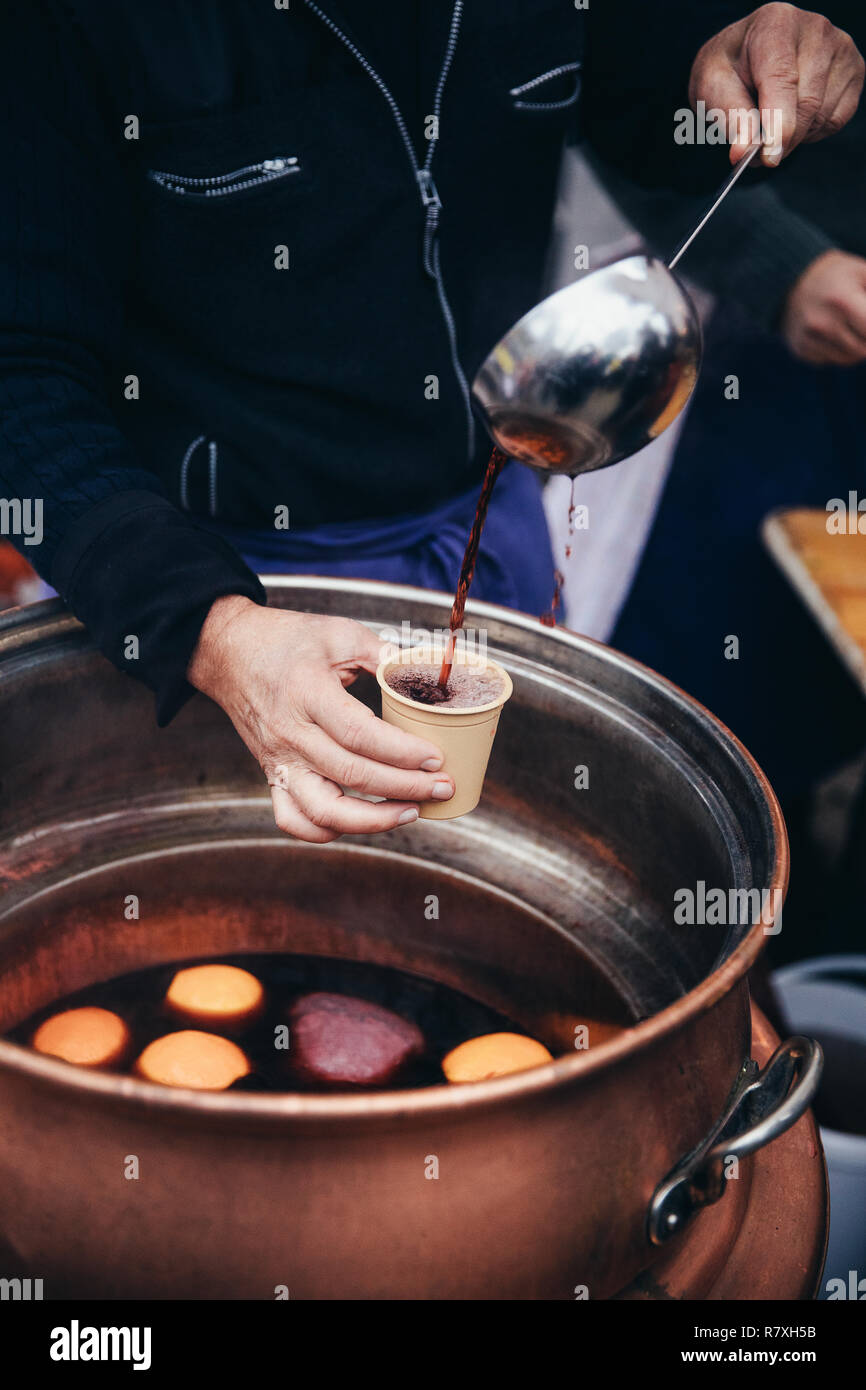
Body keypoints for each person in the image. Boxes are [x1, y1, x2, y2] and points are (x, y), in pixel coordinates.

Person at [0, 2, 862, 842]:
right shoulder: (73, 24)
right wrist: (208, 629)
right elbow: (21, 369)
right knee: (223, 869)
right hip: (207, 577)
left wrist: (732, 66)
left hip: (486, 515)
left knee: (482, 854)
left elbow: (639, 106)